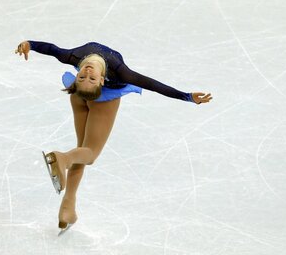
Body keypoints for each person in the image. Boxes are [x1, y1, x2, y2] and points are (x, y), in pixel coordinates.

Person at [15, 40, 212, 233]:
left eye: (86, 77)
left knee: (81, 150)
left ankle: (67, 208)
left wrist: (28, 44)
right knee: (89, 153)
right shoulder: (114, 72)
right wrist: (187, 96)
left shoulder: (75, 57)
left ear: (101, 80)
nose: (87, 73)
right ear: (98, 81)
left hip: (86, 94)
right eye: (86, 78)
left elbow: (51, 49)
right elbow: (152, 85)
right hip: (89, 96)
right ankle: (63, 158)